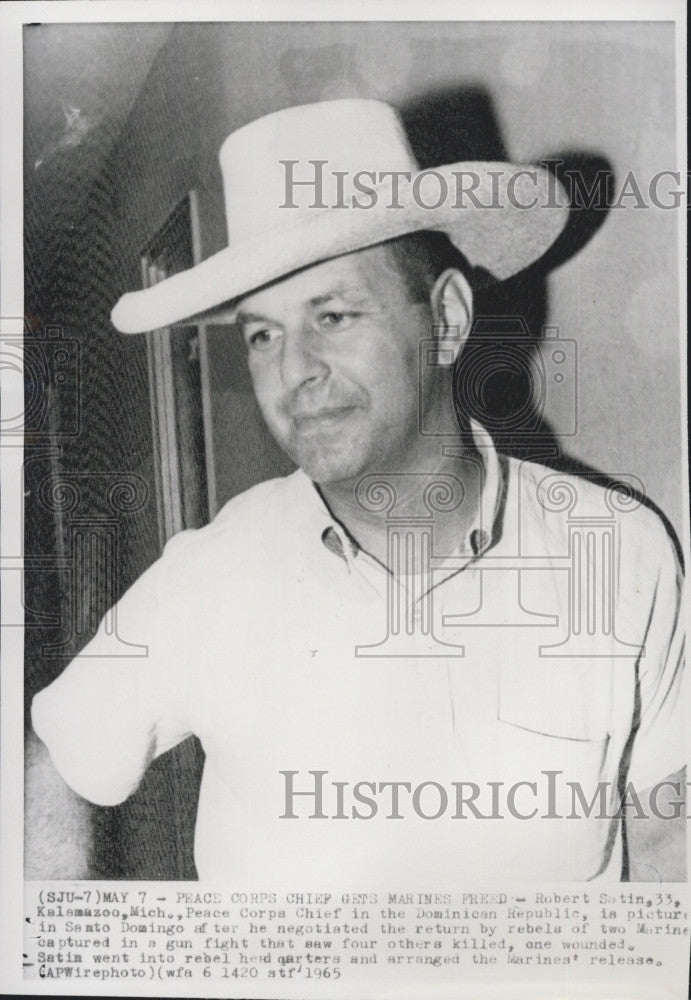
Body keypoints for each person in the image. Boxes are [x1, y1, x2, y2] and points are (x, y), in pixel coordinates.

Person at [31, 99, 685, 883]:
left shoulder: (618, 552)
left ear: (445, 318)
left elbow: (663, 828)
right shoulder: (209, 575)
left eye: (333, 316)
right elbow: (62, 762)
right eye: (263, 333)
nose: (291, 370)